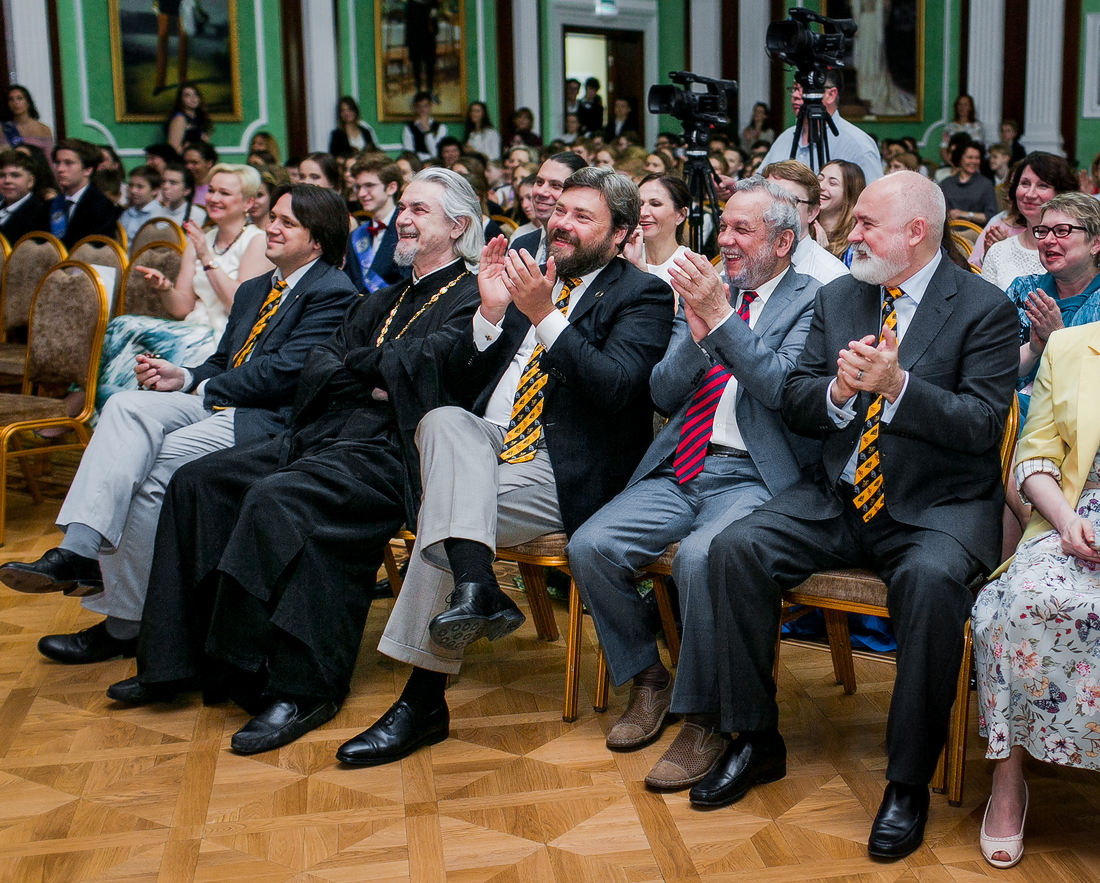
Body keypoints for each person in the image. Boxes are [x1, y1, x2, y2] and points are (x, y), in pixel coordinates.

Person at [698, 171, 1019, 860]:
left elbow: (982, 425)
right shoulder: (843, 296)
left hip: (936, 506)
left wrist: (899, 385)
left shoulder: (984, 309)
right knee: (735, 549)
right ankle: (754, 739)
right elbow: (799, 399)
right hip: (842, 494)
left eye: (868, 222)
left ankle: (906, 783)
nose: (852, 234)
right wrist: (839, 392)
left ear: (915, 232)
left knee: (931, 588)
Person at [108, 169, 484, 755]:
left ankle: (299, 685)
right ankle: (177, 659)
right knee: (197, 481)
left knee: (283, 497)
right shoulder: (382, 298)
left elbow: (431, 368)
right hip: (323, 434)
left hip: (393, 453)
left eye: (418, 211)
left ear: (457, 227)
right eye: (403, 207)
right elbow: (318, 366)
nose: (402, 219)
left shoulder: (472, 297)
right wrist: (375, 369)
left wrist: (366, 369)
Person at [334, 166, 674, 767]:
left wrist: (544, 316)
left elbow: (618, 388)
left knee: (447, 514)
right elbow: (459, 382)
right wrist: (489, 318)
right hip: (486, 444)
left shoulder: (640, 295)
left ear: (621, 234)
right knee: (440, 421)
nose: (561, 224)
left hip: (560, 464)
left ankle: (424, 698)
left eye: (582, 217)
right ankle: (475, 585)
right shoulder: (523, 274)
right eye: (560, 211)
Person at [0, 185, 358, 664]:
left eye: (287, 222)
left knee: (153, 467)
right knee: (126, 406)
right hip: (223, 403)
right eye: (272, 216)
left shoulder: (333, 292)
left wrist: (201, 387)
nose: (270, 226)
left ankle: (127, 624)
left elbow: (287, 372)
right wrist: (184, 375)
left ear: (318, 241)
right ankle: (80, 549)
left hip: (269, 420)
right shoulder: (257, 289)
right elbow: (223, 361)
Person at [568, 177, 820, 789]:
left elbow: (784, 391)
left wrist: (723, 320)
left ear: (784, 241)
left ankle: (705, 717)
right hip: (684, 463)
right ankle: (648, 679)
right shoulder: (704, 287)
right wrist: (698, 338)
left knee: (703, 559)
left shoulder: (816, 300)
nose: (724, 241)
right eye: (722, 228)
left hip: (754, 476)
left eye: (741, 230)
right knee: (590, 546)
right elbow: (662, 391)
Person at [971, 321, 1100, 870]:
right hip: (1074, 517)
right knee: (1019, 603)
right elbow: (1035, 456)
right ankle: (1007, 780)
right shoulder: (1073, 346)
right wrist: (1067, 521)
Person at [96, 164, 270, 407]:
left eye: (224, 193)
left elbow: (239, 307)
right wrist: (165, 288)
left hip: (223, 337)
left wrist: (206, 256)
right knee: (122, 330)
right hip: (192, 327)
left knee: (133, 332)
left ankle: (125, 409)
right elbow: (182, 309)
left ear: (248, 203)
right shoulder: (202, 238)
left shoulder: (257, 241)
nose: (213, 199)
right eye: (211, 191)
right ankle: (110, 406)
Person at [1003, 191, 1100, 422]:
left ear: (1096, 243)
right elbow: (993, 370)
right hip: (1015, 413)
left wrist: (1057, 337)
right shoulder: (1024, 290)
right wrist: (1034, 351)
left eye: (1062, 231)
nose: (1048, 240)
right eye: (1042, 231)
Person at [759, 72, 883, 186]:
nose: (796, 95)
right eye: (795, 89)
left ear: (830, 95)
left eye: (804, 90)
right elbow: (760, 183)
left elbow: (875, 200)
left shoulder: (858, 145)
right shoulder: (785, 137)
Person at [982, 153, 1079, 290]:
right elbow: (987, 309)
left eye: (1042, 185)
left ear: (1062, 193)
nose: (1030, 194)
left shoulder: (1075, 253)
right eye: (1025, 184)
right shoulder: (998, 252)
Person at [762, 160, 850, 285]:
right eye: (769, 197)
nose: (776, 208)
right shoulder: (743, 260)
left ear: (812, 212)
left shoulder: (833, 277)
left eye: (791, 201)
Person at [344, 156, 409, 294]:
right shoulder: (357, 235)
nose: (361, 193)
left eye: (369, 186)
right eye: (358, 187)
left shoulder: (408, 229)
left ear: (391, 188)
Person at [508, 152, 588, 262]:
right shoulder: (521, 245)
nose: (541, 192)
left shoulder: (587, 250)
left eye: (555, 185)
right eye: (539, 182)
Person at [48, 139, 120, 249]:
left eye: (68, 163)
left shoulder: (102, 206)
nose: (60, 169)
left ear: (88, 170)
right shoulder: (50, 205)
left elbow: (97, 250)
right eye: (57, 163)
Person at [621, 173, 689, 289]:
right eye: (639, 204)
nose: (643, 212)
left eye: (655, 204)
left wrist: (639, 268)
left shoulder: (688, 266)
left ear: (680, 215)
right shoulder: (623, 258)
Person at [816, 159, 866, 263]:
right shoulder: (802, 228)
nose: (821, 186)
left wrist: (823, 257)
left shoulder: (856, 242)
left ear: (849, 193)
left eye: (832, 183)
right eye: (819, 179)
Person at [940, 142, 997, 226]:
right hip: (950, 230)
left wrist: (963, 214)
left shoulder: (986, 184)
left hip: (974, 232)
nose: (974, 161)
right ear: (960, 158)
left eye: (977, 158)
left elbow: (990, 216)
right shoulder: (946, 184)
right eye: (969, 157)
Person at [0, 149, 48, 243]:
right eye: (2, 175)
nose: (7, 181)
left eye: (15, 175)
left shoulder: (40, 215)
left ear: (30, 181)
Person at [118, 165, 168, 246]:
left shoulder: (159, 216)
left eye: (140, 187)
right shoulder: (127, 213)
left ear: (155, 190)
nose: (133, 191)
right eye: (131, 185)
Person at [0, 85, 53, 153]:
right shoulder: (3, 128)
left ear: (28, 102)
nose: (15, 102)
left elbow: (49, 158)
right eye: (11, 99)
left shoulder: (43, 129)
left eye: (19, 98)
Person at [164, 82, 211, 153]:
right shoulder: (179, 118)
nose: (193, 98)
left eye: (195, 95)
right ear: (181, 99)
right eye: (187, 95)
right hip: (184, 161)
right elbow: (173, 147)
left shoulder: (198, 118)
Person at [157, 160, 206, 227]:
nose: (165, 186)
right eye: (163, 181)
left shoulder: (197, 214)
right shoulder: (156, 213)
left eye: (173, 183)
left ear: (187, 190)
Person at [939, 94, 985, 165]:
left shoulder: (977, 126)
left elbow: (977, 147)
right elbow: (943, 148)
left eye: (965, 105)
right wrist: (951, 163)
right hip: (951, 163)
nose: (962, 107)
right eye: (960, 104)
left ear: (970, 107)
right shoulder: (949, 127)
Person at [406, 0, 439, 98]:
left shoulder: (432, 3)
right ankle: (418, 89)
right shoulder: (411, 4)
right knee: (416, 64)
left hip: (429, 39)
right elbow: (409, 23)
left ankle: (429, 89)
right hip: (415, 39)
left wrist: (434, 29)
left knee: (430, 64)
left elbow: (434, 19)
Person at [404, 92, 447, 162]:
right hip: (417, 165)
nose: (422, 110)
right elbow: (409, 153)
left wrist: (427, 131)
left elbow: (435, 153)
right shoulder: (409, 127)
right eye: (419, 106)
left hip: (436, 164)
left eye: (425, 106)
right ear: (415, 108)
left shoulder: (441, 127)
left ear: (430, 106)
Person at [248, 167, 289, 232]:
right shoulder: (239, 229)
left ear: (271, 195)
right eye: (249, 196)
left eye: (259, 195)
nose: (253, 201)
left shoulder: (280, 228)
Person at [183, 141, 218, 207]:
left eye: (194, 162)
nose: (188, 166)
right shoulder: (182, 188)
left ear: (209, 163)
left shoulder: (217, 189)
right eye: (186, 162)